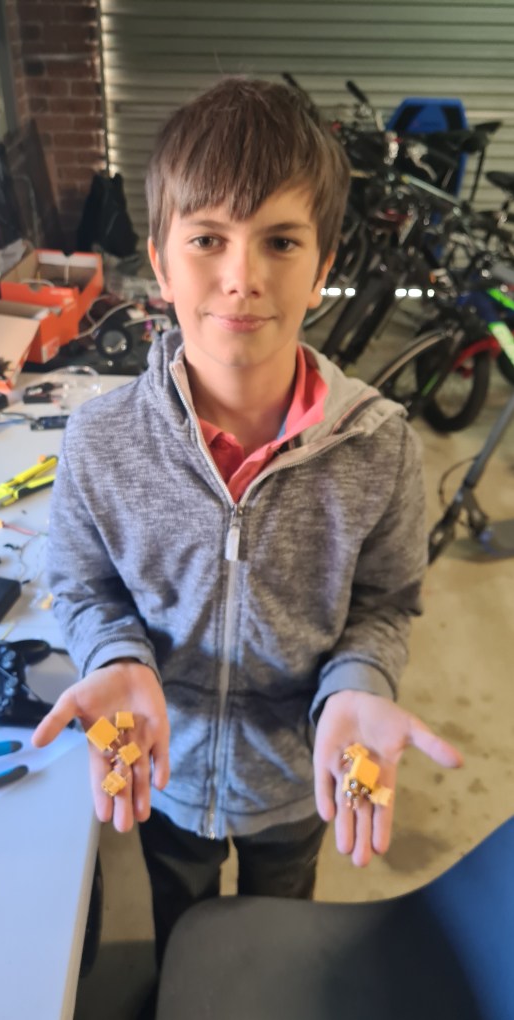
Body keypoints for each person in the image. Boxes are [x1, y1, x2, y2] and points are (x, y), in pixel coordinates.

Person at [32, 77, 462, 970]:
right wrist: (114, 656)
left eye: (280, 240)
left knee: (277, 945)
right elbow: (81, 584)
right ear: (159, 260)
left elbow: (385, 604)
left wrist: (358, 683)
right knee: (180, 934)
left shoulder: (380, 445)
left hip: (302, 774)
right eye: (206, 239)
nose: (242, 277)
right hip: (166, 766)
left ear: (323, 262)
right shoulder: (100, 441)